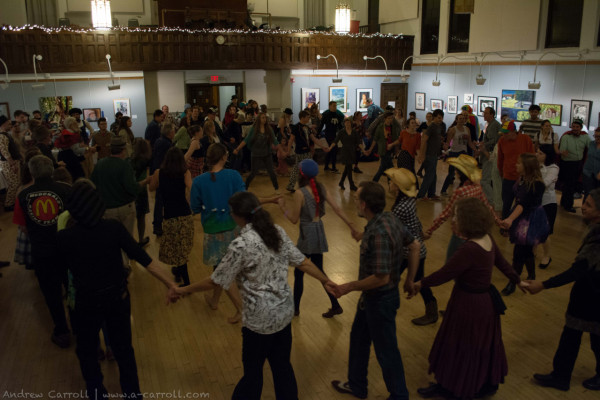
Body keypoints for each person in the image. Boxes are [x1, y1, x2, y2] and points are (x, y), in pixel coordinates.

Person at [177, 190, 333, 399]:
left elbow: (215, 280)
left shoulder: (241, 244)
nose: (231, 216)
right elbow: (303, 262)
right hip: (283, 315)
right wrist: (327, 281)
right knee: (282, 368)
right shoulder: (276, 231)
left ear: (240, 216)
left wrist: (182, 289)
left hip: (259, 324)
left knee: (252, 375)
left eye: (232, 212)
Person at [56, 179, 179, 400]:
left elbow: (59, 274)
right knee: (124, 351)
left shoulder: (65, 237)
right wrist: (170, 283)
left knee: (87, 353)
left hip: (85, 305)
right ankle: (132, 395)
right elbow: (144, 259)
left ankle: (97, 393)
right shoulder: (113, 229)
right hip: (117, 299)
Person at [413, 197, 526, 399]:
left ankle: (451, 387)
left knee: (459, 344)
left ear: (468, 220)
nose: (453, 220)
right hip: (485, 304)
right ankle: (481, 383)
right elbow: (503, 264)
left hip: (468, 304)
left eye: (456, 217)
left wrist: (419, 284)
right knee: (479, 345)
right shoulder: (488, 239)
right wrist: (518, 281)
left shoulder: (469, 249)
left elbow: (444, 273)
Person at [329, 181, 420, 400]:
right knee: (359, 339)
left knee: (387, 351)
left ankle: (399, 396)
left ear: (364, 205)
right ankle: (357, 385)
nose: (355, 203)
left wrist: (347, 286)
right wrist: (410, 279)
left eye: (357, 199)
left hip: (380, 300)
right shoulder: (388, 218)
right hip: (373, 299)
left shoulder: (377, 233)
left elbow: (381, 278)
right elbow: (415, 245)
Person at [526, 188, 600, 392]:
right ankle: (561, 375)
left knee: (578, 337)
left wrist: (543, 285)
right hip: (590, 296)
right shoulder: (594, 230)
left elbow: (576, 271)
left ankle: (561, 376)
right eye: (584, 202)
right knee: (584, 337)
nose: (583, 207)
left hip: (591, 298)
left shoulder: (597, 239)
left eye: (588, 205)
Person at [277, 159, 356, 318]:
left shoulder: (300, 193)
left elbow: (293, 219)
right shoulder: (321, 188)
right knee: (319, 271)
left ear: (301, 174)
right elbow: (337, 208)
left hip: (307, 234)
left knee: (300, 272)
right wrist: (351, 225)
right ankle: (335, 305)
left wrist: (282, 207)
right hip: (319, 231)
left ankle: (296, 310)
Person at [12, 155, 72, 347]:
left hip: (42, 251)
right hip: (66, 249)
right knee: (73, 289)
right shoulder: (66, 190)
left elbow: (22, 228)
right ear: (51, 170)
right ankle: (80, 327)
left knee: (51, 293)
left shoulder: (22, 196)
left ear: (31, 172)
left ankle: (62, 331)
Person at [190, 143, 244, 323]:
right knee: (225, 268)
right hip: (235, 228)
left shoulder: (199, 181)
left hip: (213, 231)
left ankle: (241, 309)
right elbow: (243, 200)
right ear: (223, 157)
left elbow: (195, 208)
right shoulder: (234, 175)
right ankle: (215, 300)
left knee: (223, 269)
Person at [385, 167, 437, 325]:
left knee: (396, 280)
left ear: (398, 187)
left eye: (392, 181)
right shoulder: (408, 201)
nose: (389, 182)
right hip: (413, 250)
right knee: (401, 280)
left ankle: (384, 308)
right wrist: (421, 234)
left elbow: (391, 230)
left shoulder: (401, 207)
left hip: (411, 252)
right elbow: (414, 222)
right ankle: (431, 310)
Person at [424, 154, 500, 259]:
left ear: (460, 173)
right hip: (473, 234)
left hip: (459, 234)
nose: (455, 171)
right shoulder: (478, 188)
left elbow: (446, 213)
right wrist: (498, 221)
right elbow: (488, 207)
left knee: (451, 265)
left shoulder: (460, 192)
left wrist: (430, 230)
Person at [91, 136, 151, 266]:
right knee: (125, 239)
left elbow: (93, 186)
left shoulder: (100, 164)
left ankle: (114, 265)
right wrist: (146, 181)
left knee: (110, 240)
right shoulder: (124, 165)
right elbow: (132, 188)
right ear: (123, 149)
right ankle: (125, 267)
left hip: (106, 209)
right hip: (125, 208)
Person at [500, 153, 549, 295]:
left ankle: (512, 283)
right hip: (521, 217)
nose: (516, 165)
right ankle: (532, 276)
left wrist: (510, 219)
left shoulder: (537, 184)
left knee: (519, 252)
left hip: (530, 220)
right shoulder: (522, 179)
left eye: (519, 163)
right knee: (526, 250)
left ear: (527, 167)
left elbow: (523, 204)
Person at [149, 147, 194, 286]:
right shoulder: (185, 172)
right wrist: (187, 199)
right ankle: (179, 273)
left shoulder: (159, 173)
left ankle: (186, 281)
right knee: (181, 248)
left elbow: (151, 188)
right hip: (185, 215)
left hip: (169, 216)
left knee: (175, 248)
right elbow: (192, 188)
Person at [496, 120, 535, 219]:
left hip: (523, 177)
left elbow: (532, 157)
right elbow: (500, 158)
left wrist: (530, 174)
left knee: (522, 202)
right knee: (507, 202)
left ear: (514, 131)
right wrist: (501, 171)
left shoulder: (525, 139)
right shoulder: (502, 141)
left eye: (506, 133)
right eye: (502, 133)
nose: (504, 135)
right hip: (508, 176)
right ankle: (505, 223)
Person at [233, 112, 279, 191]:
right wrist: (237, 149)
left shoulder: (269, 128)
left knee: (271, 172)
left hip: (267, 154)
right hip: (256, 154)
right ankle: (245, 187)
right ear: (259, 119)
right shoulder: (254, 129)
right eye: (263, 118)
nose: (264, 119)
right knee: (253, 173)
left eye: (265, 118)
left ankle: (276, 188)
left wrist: (282, 149)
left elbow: (275, 141)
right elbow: (246, 140)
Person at [286, 110, 328, 192]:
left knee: (302, 168)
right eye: (308, 117)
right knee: (298, 169)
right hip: (300, 151)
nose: (309, 118)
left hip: (307, 151)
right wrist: (288, 150)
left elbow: (314, 139)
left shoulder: (308, 128)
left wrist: (322, 146)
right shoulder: (296, 127)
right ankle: (295, 185)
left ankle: (305, 184)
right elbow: (291, 140)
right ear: (303, 117)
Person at [441, 113, 477, 196]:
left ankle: (462, 190)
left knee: (464, 173)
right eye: (460, 119)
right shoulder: (453, 130)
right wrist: (445, 147)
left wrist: (475, 149)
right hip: (454, 153)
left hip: (463, 153)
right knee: (451, 173)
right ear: (456, 120)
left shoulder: (467, 129)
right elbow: (448, 142)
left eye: (463, 118)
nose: (462, 120)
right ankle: (443, 190)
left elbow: (469, 142)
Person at [559, 118, 589, 213]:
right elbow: (563, 151)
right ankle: (568, 205)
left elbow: (591, 147)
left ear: (581, 128)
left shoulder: (585, 137)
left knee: (571, 185)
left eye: (577, 127)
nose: (575, 128)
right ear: (571, 126)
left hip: (578, 164)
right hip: (567, 164)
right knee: (569, 186)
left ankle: (564, 203)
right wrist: (565, 153)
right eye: (574, 126)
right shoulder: (566, 137)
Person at [536, 146, 559, 269]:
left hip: (548, 203)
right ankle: (533, 251)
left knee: (545, 232)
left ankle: (547, 256)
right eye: (537, 152)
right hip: (535, 202)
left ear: (547, 155)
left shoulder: (553, 168)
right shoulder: (536, 165)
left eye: (540, 153)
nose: (537, 154)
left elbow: (543, 184)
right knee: (533, 228)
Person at [417, 109, 445, 200]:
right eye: (439, 118)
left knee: (433, 175)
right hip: (429, 154)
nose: (440, 119)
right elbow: (424, 140)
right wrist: (422, 154)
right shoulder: (432, 126)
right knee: (429, 175)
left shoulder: (438, 126)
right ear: (434, 117)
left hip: (434, 154)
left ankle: (431, 193)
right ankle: (421, 195)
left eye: (441, 118)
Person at [366, 111, 400, 182]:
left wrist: (396, 150)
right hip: (383, 150)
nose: (390, 120)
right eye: (388, 118)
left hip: (391, 149)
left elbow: (396, 138)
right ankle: (389, 182)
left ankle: (375, 182)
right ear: (385, 119)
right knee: (389, 167)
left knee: (384, 167)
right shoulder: (381, 127)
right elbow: (375, 139)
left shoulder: (393, 127)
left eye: (391, 118)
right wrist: (370, 149)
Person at [328, 116, 361, 191]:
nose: (347, 124)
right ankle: (351, 185)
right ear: (344, 124)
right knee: (349, 168)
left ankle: (341, 182)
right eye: (346, 123)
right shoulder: (341, 132)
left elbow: (359, 142)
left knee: (347, 168)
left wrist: (364, 150)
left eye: (349, 123)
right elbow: (335, 141)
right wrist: (330, 148)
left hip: (352, 151)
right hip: (345, 151)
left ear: (351, 124)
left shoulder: (354, 132)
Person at [130, 138, 152, 246]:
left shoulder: (130, 159)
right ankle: (140, 239)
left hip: (131, 190)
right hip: (141, 189)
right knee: (141, 216)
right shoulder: (145, 160)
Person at [479, 107, 502, 206]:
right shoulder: (491, 124)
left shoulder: (493, 125)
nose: (484, 115)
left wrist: (483, 146)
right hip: (488, 153)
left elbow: (493, 140)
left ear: (492, 114)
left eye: (486, 113)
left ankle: (491, 200)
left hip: (489, 154)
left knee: (485, 180)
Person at [0, 115, 22, 211]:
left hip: (12, 162)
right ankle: (8, 204)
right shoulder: (2, 136)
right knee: (14, 183)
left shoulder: (6, 134)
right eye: (8, 123)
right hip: (9, 163)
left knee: (16, 182)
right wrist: (12, 164)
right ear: (3, 124)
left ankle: (13, 202)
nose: (10, 125)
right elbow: (4, 151)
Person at [55, 116, 86, 182]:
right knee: (77, 178)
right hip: (70, 158)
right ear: (71, 124)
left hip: (63, 156)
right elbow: (76, 150)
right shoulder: (71, 134)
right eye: (75, 123)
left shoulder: (65, 133)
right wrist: (86, 148)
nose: (77, 124)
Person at [319, 101, 345, 172]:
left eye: (336, 106)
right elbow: (321, 125)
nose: (335, 107)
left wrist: (343, 133)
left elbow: (340, 126)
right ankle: (333, 167)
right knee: (333, 150)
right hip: (328, 134)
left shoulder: (337, 115)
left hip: (335, 134)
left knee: (330, 151)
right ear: (330, 106)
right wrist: (317, 133)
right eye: (333, 106)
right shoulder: (326, 115)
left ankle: (326, 167)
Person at [582, 127, 600, 202]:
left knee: (597, 195)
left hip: (598, 174)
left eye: (599, 137)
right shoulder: (591, 143)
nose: (597, 138)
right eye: (595, 136)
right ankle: (585, 211)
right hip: (588, 172)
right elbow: (587, 156)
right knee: (588, 193)